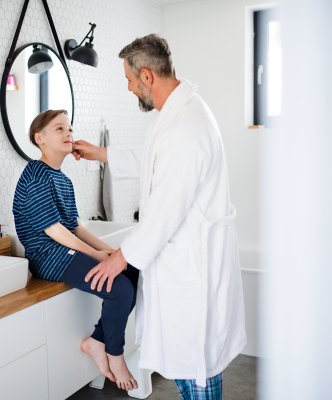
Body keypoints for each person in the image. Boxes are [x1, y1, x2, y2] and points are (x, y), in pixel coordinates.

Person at [72, 34, 246, 400]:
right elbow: (151, 157)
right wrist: (99, 153)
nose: (130, 88)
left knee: (196, 365)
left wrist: (120, 259)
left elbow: (166, 209)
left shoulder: (186, 126)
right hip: (185, 262)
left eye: (130, 81)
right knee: (190, 365)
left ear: (147, 76)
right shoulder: (178, 114)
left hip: (192, 268)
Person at [13, 110, 140, 391]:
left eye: (69, 128)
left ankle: (96, 340)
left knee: (131, 271)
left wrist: (114, 253)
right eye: (59, 129)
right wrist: (97, 256)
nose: (68, 133)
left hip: (65, 251)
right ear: (40, 138)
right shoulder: (35, 174)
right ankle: (114, 354)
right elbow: (54, 231)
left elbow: (77, 228)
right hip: (47, 256)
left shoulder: (63, 180)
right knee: (120, 290)